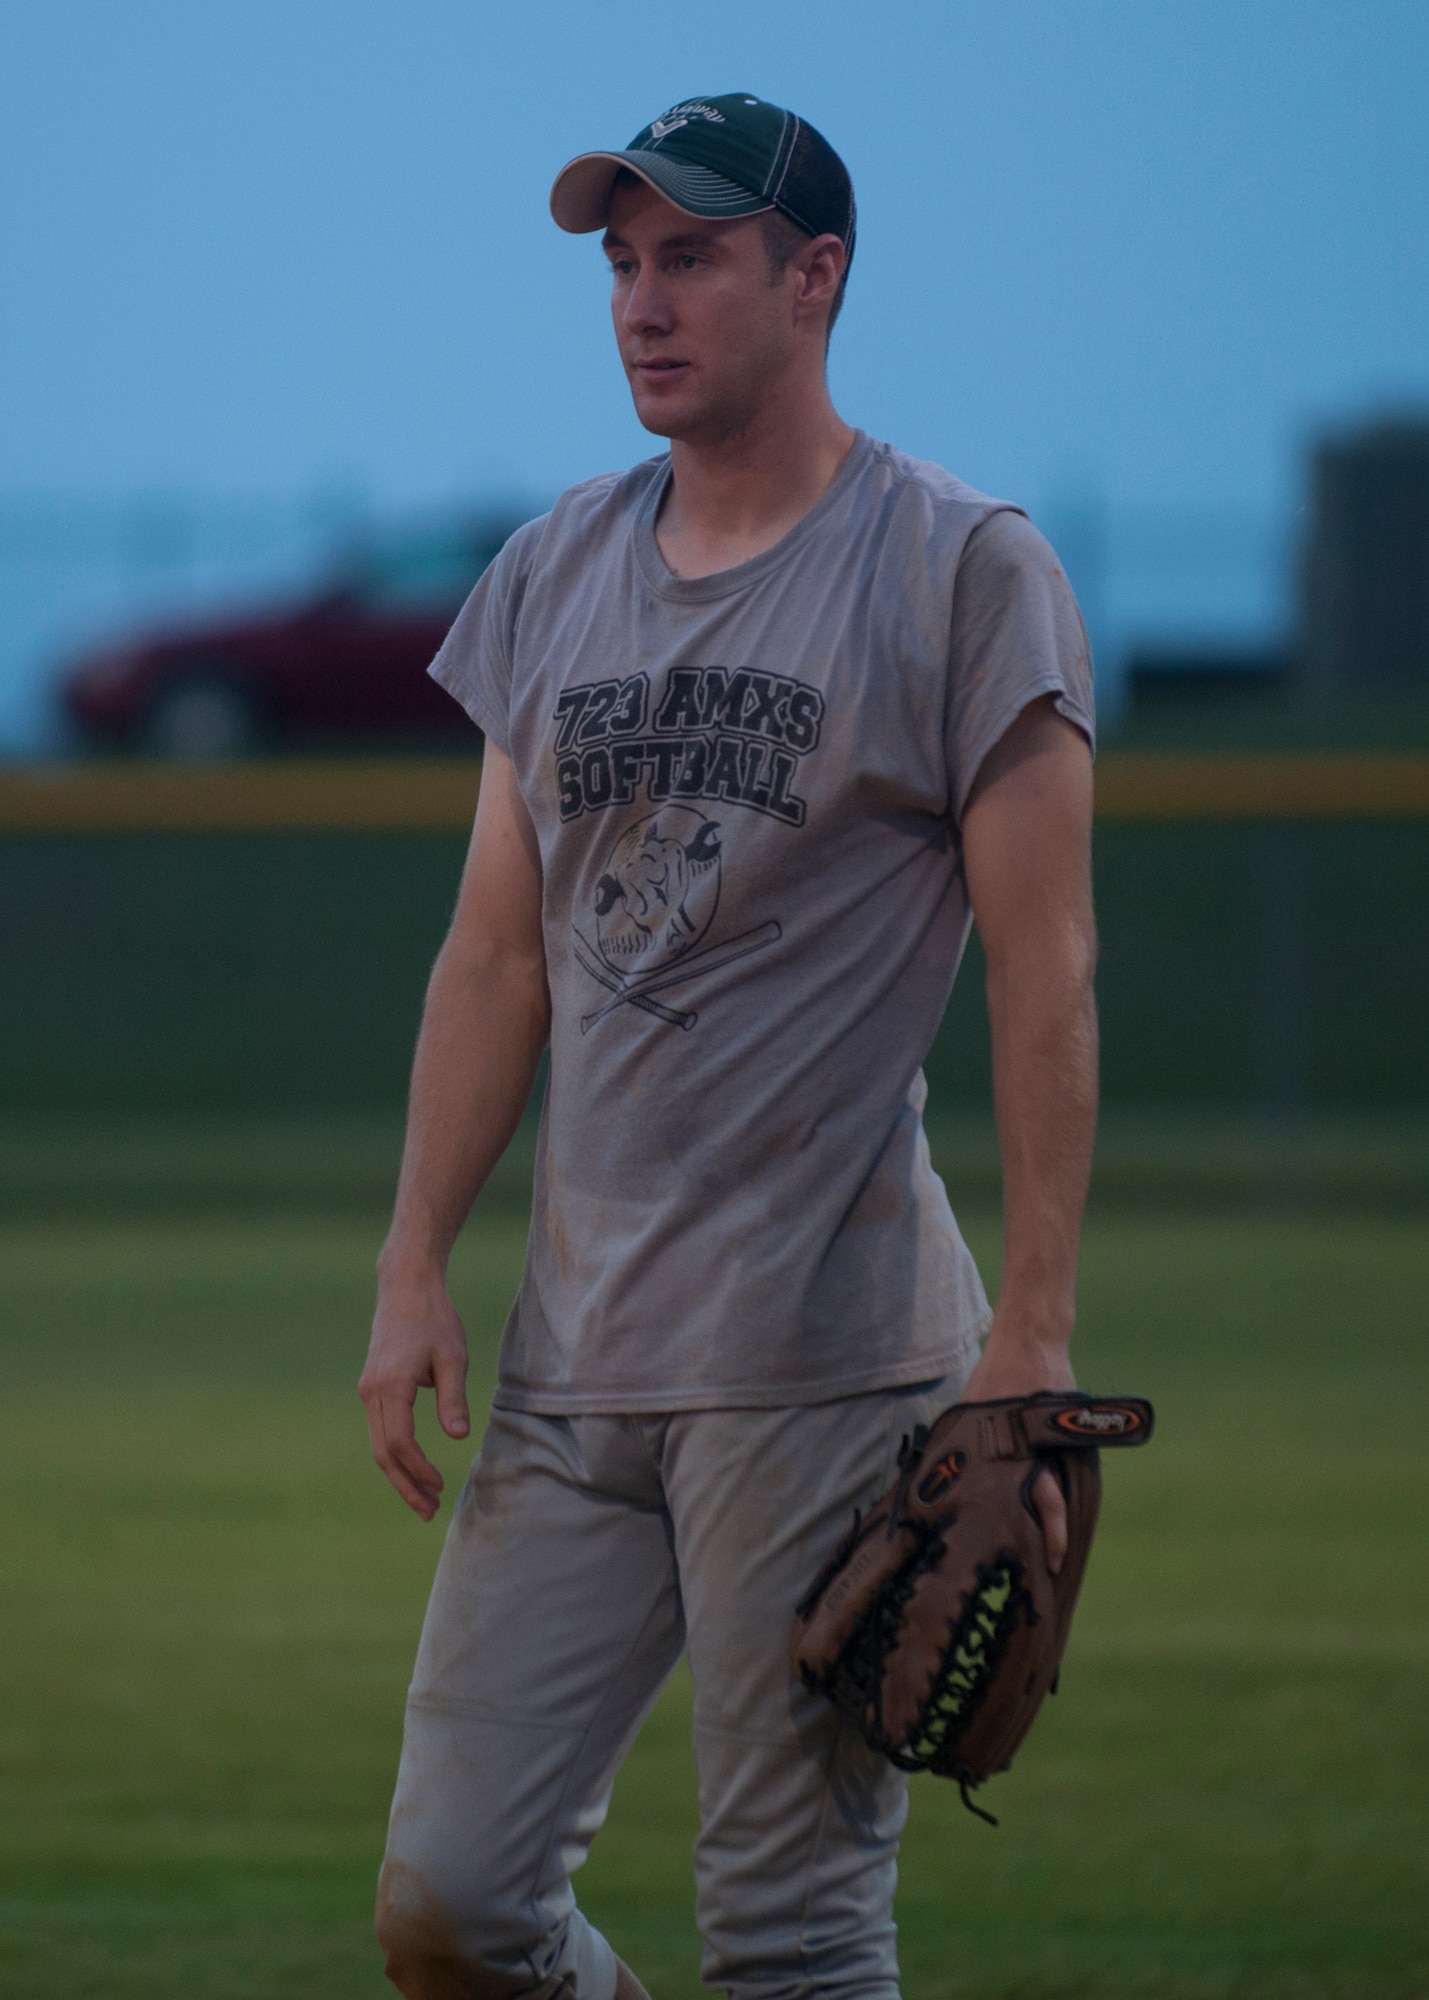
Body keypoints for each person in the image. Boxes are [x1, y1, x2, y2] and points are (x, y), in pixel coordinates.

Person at [360, 92, 1097, 2000]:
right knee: (450, 1902)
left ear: (813, 276)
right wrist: (412, 1259)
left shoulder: (958, 568)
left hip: (826, 1363)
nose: (641, 301)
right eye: (620, 262)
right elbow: (494, 958)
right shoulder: (550, 571)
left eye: (689, 254)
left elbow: (1046, 974)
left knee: (787, 1938)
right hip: (576, 1362)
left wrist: (1029, 1332)